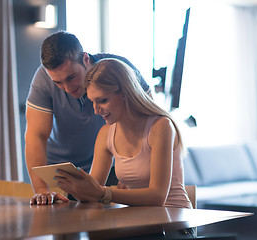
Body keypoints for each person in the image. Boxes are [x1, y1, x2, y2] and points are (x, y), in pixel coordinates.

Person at [26, 31, 151, 205]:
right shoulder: (43, 79)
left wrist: (132, 166)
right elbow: (35, 137)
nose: (67, 88)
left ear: (85, 59)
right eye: (58, 82)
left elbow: (148, 117)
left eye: (71, 77)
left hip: (113, 165)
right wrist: (41, 190)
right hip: (64, 171)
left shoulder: (118, 69)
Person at [54, 58, 192, 210]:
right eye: (92, 102)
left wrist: (104, 192)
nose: (96, 110)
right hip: (141, 221)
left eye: (102, 100)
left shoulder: (161, 126)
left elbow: (157, 197)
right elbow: (93, 193)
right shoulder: (106, 134)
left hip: (175, 222)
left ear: (125, 93)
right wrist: (63, 195)